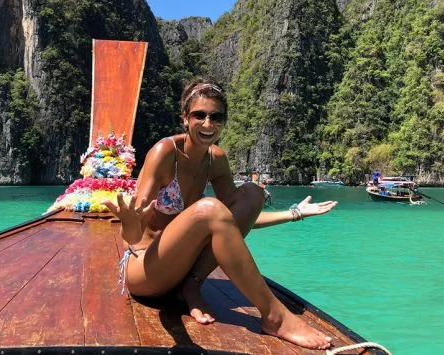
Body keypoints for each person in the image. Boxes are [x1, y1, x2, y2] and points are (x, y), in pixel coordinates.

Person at [103, 77, 337, 350]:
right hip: (146, 269)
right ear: (185, 118)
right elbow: (132, 235)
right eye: (199, 115)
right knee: (210, 209)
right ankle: (275, 316)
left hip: (182, 268)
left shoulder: (215, 159)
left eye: (216, 117)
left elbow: (231, 221)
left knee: (252, 194)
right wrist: (129, 223)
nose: (207, 124)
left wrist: (294, 213)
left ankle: (191, 285)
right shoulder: (165, 152)